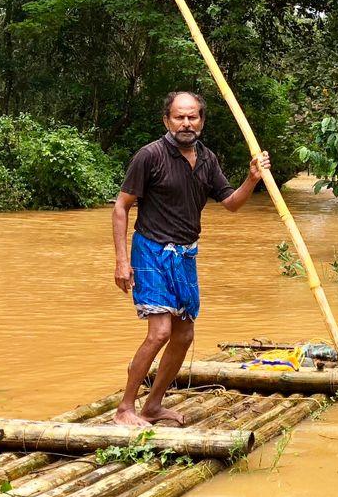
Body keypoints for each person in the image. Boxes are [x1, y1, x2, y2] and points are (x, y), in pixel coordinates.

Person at [111, 90, 271, 426]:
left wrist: (252, 178)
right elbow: (121, 207)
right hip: (151, 250)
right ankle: (125, 408)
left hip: (185, 255)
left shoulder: (208, 160)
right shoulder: (150, 156)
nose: (186, 123)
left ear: (202, 120)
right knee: (160, 332)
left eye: (193, 116)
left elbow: (231, 204)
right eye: (179, 117)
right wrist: (122, 261)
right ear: (166, 120)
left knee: (184, 335)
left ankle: (153, 406)